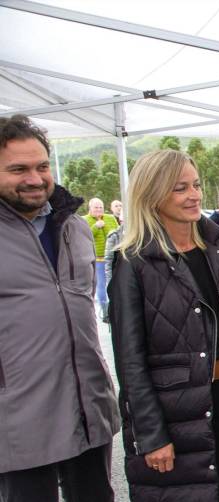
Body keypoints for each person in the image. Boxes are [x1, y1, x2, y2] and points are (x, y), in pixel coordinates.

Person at [108, 149, 219, 502]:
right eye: (179, 188)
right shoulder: (134, 263)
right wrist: (151, 434)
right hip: (174, 413)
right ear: (152, 194)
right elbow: (130, 362)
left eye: (196, 185)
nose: (194, 195)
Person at [0, 115, 119, 502]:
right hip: (16, 422)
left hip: (87, 408)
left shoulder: (73, 226)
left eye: (41, 166)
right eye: (18, 169)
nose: (34, 178)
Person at [84, 197, 119, 322]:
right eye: (96, 207)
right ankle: (105, 311)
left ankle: (116, 308)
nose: (99, 210)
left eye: (101, 207)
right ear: (90, 208)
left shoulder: (110, 218)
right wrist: (95, 227)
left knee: (116, 283)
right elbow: (84, 237)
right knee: (102, 285)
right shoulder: (84, 220)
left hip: (114, 256)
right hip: (97, 259)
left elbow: (118, 232)